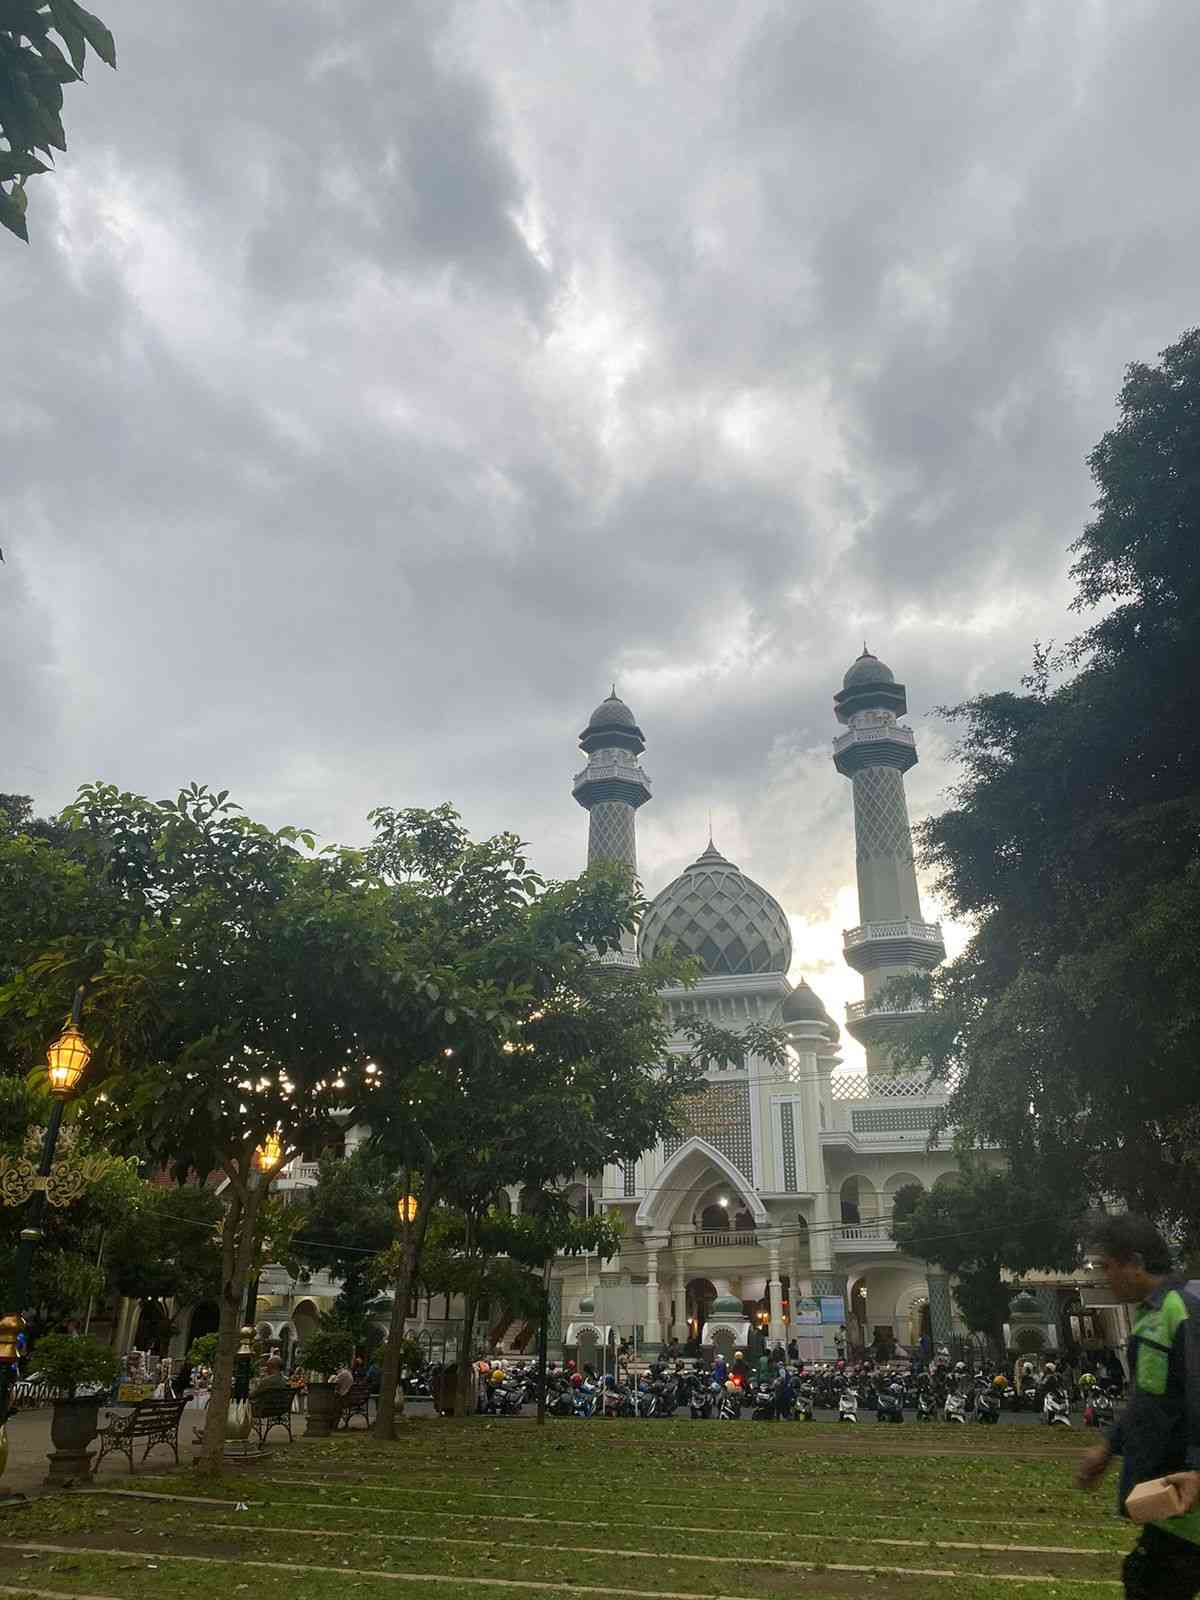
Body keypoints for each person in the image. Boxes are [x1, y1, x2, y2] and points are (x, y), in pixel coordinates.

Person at [1076, 1214, 1200, 1598]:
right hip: (1168, 1497)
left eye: (1107, 1267)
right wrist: (1110, 1446)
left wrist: (1197, 1470)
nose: (1103, 1277)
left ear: (1135, 1262)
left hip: (1188, 1494)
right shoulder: (1151, 1316)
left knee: (1148, 1582)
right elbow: (1149, 1397)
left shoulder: (1184, 1310)